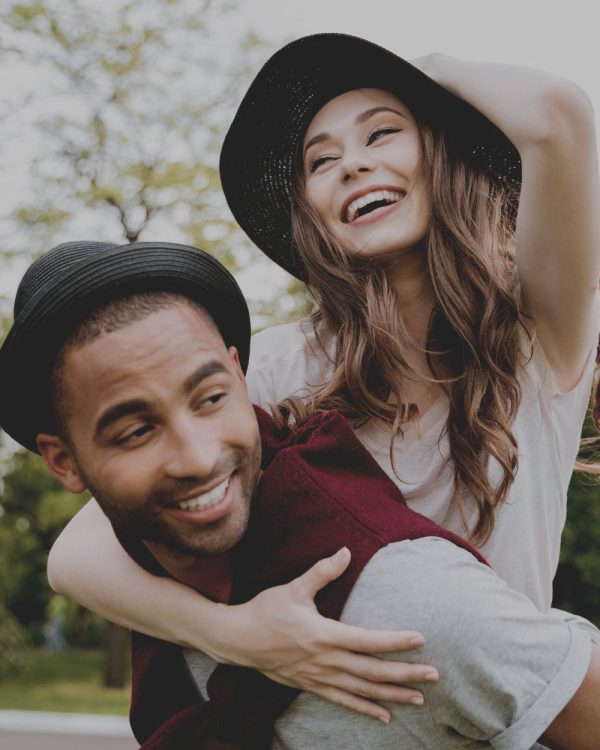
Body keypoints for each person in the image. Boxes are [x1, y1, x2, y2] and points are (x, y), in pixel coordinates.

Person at [46, 33, 600, 715]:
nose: (352, 165)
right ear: (310, 209)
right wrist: (236, 636)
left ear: (438, 154)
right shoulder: (285, 362)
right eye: (322, 160)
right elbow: (74, 556)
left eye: (383, 133)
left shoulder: (537, 335)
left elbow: (558, 116)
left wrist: (424, 73)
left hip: (495, 714)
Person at [1, 239, 599, 750]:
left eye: (210, 398)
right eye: (135, 431)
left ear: (241, 376)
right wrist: (224, 634)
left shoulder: (411, 603)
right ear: (63, 461)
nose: (198, 457)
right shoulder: (151, 583)